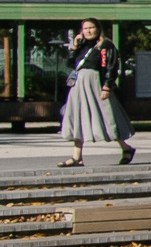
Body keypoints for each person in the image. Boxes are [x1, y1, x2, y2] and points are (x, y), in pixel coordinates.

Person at [58, 18, 135, 168]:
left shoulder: (106, 45)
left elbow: (112, 67)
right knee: (77, 117)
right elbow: (69, 63)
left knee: (107, 117)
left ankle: (126, 148)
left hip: (96, 84)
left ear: (98, 28)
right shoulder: (81, 45)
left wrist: (107, 86)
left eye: (91, 27)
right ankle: (77, 157)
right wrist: (74, 46)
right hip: (79, 85)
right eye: (85, 28)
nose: (88, 31)